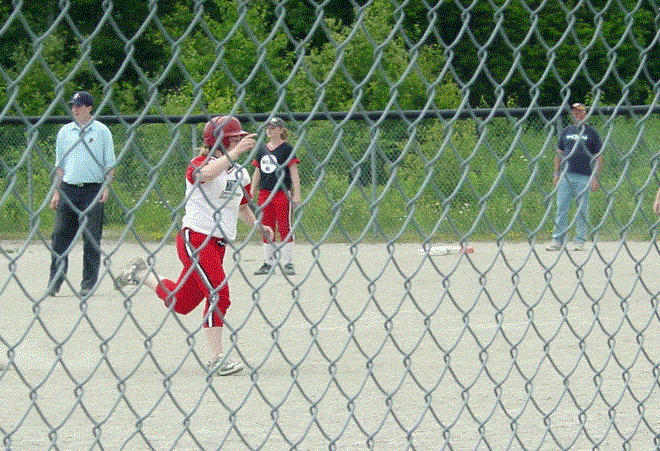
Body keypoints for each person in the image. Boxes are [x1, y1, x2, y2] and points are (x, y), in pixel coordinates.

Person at [114, 116, 274, 377]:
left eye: (239, 138)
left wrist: (257, 225)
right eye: (233, 137)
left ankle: (141, 274)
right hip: (196, 240)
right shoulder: (201, 163)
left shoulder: (241, 173)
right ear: (219, 141)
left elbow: (242, 205)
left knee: (182, 302)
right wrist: (233, 153)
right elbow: (204, 176)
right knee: (219, 294)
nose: (239, 141)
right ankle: (216, 358)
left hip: (218, 245)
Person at [47, 91, 116, 297]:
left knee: (91, 237)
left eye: (79, 106)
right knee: (60, 235)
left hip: (93, 189)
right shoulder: (65, 132)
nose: (75, 110)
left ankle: (88, 283)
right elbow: (60, 166)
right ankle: (55, 281)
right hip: (68, 188)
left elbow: (109, 165)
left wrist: (106, 187)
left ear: (89, 108)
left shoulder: (102, 131)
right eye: (73, 106)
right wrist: (56, 192)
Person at [546, 103, 603, 252]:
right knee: (561, 208)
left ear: (585, 114)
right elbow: (559, 153)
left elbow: (599, 157)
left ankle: (579, 241)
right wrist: (556, 173)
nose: (577, 114)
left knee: (582, 210)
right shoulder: (566, 131)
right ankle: (557, 240)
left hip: (584, 177)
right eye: (574, 111)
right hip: (566, 176)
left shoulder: (592, 133)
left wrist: (595, 177)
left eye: (580, 111)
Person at [250, 117, 301, 276]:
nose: (269, 131)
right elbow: (257, 172)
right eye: (268, 128)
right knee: (266, 227)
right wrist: (252, 191)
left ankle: (288, 262)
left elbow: (293, 173)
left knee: (284, 226)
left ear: (280, 130)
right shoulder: (262, 149)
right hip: (265, 192)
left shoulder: (287, 149)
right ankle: (268, 262)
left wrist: (297, 194)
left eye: (273, 128)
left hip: (282, 193)